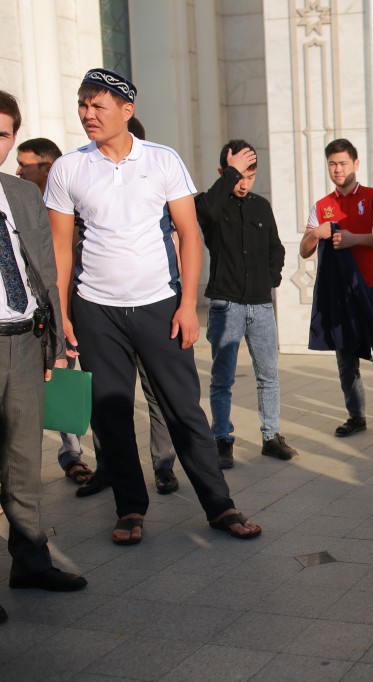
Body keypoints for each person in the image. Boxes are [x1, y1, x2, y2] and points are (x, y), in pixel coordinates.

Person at [46, 68, 261, 544]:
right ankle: (129, 509)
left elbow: (189, 234)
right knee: (111, 414)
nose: (87, 114)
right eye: (82, 105)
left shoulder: (163, 160)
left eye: (98, 105)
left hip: (160, 305)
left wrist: (187, 305)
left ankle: (219, 505)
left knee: (184, 410)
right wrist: (62, 315)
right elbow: (60, 249)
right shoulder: (68, 168)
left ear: (127, 110)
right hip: (95, 310)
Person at [20, 132, 181, 496]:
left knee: (154, 391)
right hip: (77, 312)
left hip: (129, 305)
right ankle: (101, 464)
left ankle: (163, 465)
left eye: (25, 165)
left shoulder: (95, 196)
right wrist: (62, 314)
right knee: (93, 392)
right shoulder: (37, 202)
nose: (19, 171)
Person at [0, 90, 88, 625]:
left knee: (23, 462)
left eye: (3, 134)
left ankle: (30, 562)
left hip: (24, 341)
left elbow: (45, 269)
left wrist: (54, 339)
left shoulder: (21, 193)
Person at [195, 140, 295, 466]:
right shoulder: (213, 204)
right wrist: (230, 174)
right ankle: (222, 440)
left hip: (261, 306)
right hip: (226, 306)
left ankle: (271, 436)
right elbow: (204, 211)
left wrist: (271, 279)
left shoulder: (261, 206)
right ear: (223, 172)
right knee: (222, 379)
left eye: (250, 176)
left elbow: (276, 249)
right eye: (239, 175)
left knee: (268, 376)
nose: (244, 183)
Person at [300, 138, 373, 438]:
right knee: (346, 359)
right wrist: (316, 234)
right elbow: (304, 250)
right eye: (332, 164)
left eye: (343, 163)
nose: (338, 169)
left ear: (356, 164)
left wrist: (353, 239)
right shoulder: (321, 206)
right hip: (339, 294)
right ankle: (356, 416)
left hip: (372, 287)